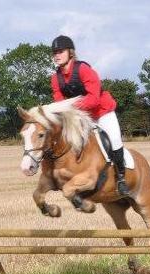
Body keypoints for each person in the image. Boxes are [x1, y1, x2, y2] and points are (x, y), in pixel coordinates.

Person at [50, 35, 130, 196]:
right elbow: (59, 102)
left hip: (102, 112)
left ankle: (121, 178)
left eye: (60, 51)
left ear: (70, 53)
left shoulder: (84, 70)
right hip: (80, 116)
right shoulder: (55, 78)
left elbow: (93, 99)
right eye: (54, 53)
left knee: (114, 140)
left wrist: (70, 106)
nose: (57, 55)